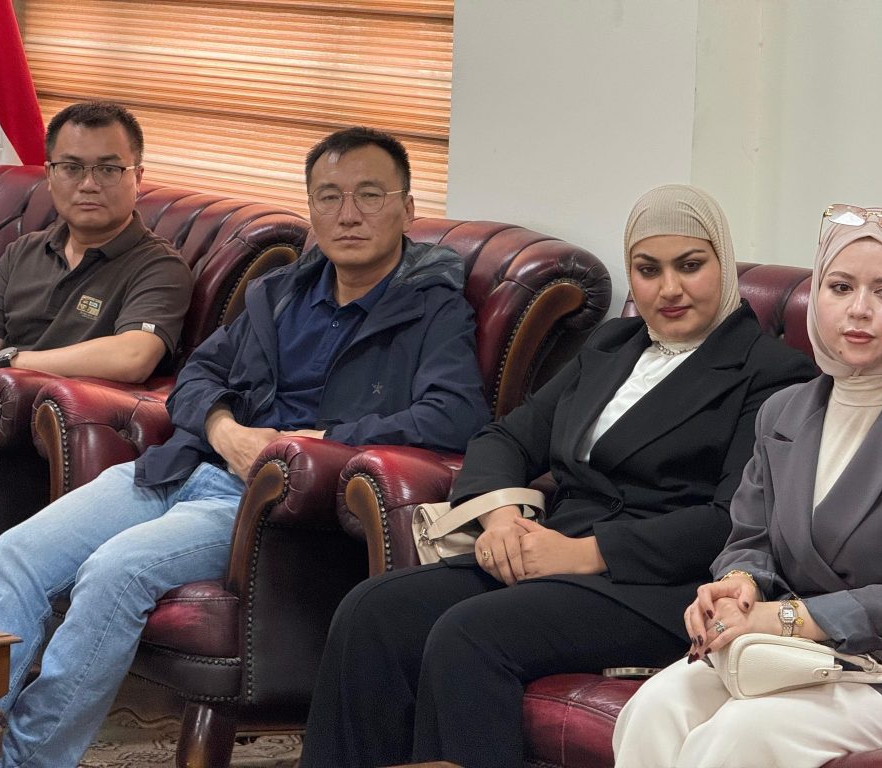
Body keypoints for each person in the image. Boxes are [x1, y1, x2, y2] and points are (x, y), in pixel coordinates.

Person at [0, 125, 490, 768]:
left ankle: (25, 760)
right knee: (17, 553)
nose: (349, 214)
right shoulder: (280, 292)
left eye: (370, 195)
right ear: (312, 209)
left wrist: (323, 441)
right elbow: (198, 373)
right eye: (330, 197)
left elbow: (456, 414)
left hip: (262, 502)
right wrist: (224, 428)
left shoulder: (431, 308)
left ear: (407, 208)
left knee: (116, 572)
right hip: (180, 467)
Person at [298, 185, 818, 768]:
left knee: (470, 633)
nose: (669, 289)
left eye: (690, 266)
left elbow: (730, 521)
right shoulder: (613, 344)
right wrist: (501, 519)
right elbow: (505, 438)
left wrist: (581, 554)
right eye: (648, 270)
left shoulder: (772, 373)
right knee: (371, 610)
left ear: (723, 266)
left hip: (660, 585)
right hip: (548, 556)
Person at [612, 205, 882, 767]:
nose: (859, 309)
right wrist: (737, 586)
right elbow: (750, 539)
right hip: (789, 653)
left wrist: (778, 618)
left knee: (742, 734)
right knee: (654, 707)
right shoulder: (784, 411)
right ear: (817, 294)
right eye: (840, 287)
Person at [0, 101, 193, 382]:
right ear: (49, 175)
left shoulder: (160, 267)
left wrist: (12, 363)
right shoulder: (22, 251)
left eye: (108, 169)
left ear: (137, 178)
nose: (88, 185)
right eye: (71, 168)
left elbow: (134, 357)